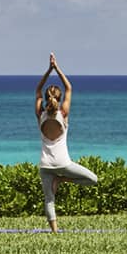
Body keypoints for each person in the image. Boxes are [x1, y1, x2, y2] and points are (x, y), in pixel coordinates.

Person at [35, 52, 98, 232]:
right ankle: (62, 180)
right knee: (92, 179)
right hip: (63, 163)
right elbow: (69, 87)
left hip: (46, 165)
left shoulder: (40, 114)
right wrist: (57, 68)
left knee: (49, 200)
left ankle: (55, 232)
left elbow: (37, 90)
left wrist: (48, 70)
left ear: (46, 99)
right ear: (59, 98)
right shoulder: (63, 113)